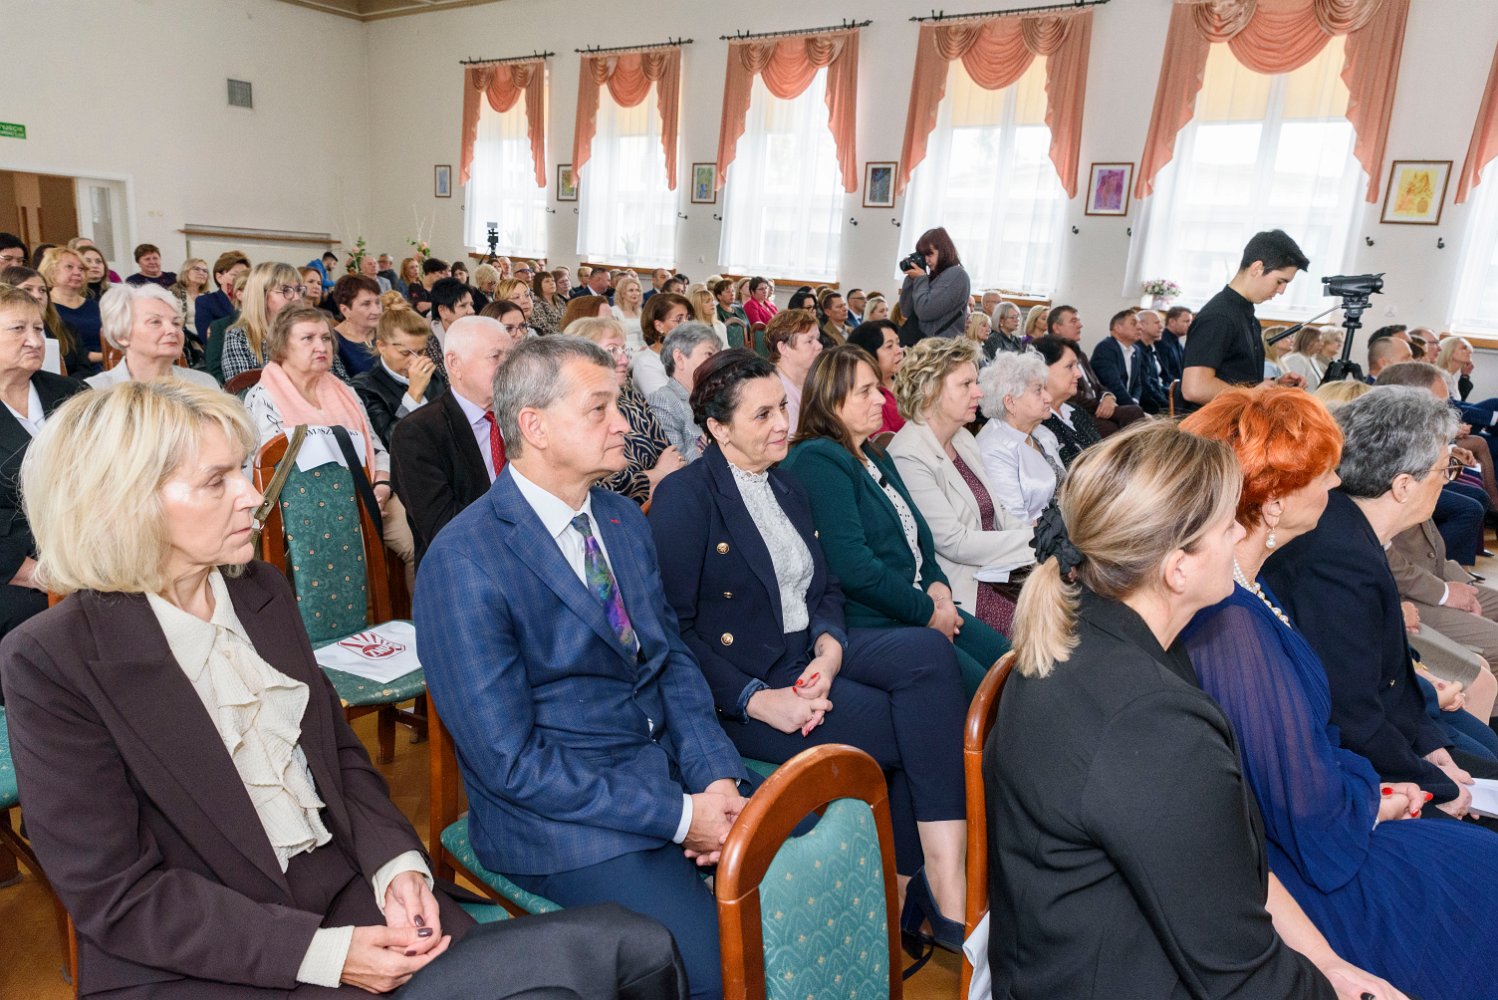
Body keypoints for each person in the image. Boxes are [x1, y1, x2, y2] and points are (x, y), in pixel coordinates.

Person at [0, 378, 690, 999]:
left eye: (242, 471)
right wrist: (324, 954)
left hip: (350, 893)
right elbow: (119, 897)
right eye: (217, 482)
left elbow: (339, 756)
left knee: (637, 949)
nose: (254, 496)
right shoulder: (50, 660)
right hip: (210, 957)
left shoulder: (259, 592)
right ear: (127, 507)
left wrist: (398, 867)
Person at [986, 421, 1398, 1000]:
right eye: (1227, 524)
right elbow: (1239, 975)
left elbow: (1221, 870)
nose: (1241, 531)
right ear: (1177, 567)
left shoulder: (1103, 634)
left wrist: (1330, 965)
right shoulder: (1151, 721)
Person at [414, 335, 753, 1000]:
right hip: (560, 820)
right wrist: (679, 815)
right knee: (711, 971)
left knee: (803, 854)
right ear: (535, 427)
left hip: (662, 770)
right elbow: (511, 762)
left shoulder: (621, 518)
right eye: (599, 409)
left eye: (618, 405)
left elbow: (670, 660)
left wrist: (713, 775)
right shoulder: (465, 562)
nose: (623, 424)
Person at [648, 348, 970, 950]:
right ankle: (920, 885)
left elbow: (824, 588)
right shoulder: (685, 498)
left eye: (782, 407)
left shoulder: (786, 483)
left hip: (803, 656)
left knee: (929, 656)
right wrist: (756, 699)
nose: (782, 424)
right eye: (763, 414)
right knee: (917, 727)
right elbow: (673, 635)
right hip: (740, 689)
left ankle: (925, 879)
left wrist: (829, 647)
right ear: (717, 429)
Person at [1182, 386, 1498, 1000]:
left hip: (1331, 815)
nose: (1337, 483)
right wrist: (1383, 799)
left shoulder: (1248, 590)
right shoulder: (1233, 623)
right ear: (1274, 503)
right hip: (1306, 862)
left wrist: (1386, 789)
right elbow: (1301, 810)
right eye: (1323, 473)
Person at [1262, 387, 1498, 812]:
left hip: (1388, 730)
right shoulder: (1338, 558)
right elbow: (1351, 714)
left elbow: (1390, 674)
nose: (1445, 482)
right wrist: (1436, 783)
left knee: (1487, 753)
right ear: (1404, 485)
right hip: (1350, 765)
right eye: (1444, 470)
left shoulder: (1351, 528)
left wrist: (1431, 745)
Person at [782, 345, 1010, 695]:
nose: (880, 399)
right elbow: (854, 567)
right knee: (990, 693)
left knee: (1011, 664)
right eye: (865, 392)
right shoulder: (819, 459)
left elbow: (919, 539)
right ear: (831, 400)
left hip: (916, 603)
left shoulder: (871, 453)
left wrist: (938, 588)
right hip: (875, 618)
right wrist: (928, 612)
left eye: (877, 388)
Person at [242, 306, 415, 568]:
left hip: (368, 495)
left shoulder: (344, 391)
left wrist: (381, 487)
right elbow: (272, 476)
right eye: (308, 338)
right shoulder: (264, 397)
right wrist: (345, 503)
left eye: (325, 338)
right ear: (282, 347)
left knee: (419, 536)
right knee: (346, 551)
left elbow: (377, 450)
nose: (321, 346)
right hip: (299, 510)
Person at [888, 338, 1033, 635]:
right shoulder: (908, 454)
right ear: (929, 389)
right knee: (1052, 627)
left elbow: (999, 511)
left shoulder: (963, 438)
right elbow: (955, 543)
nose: (978, 392)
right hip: (966, 588)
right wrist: (1035, 543)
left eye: (975, 382)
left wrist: (1041, 540)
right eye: (966, 384)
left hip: (1002, 573)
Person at [0, 286, 85, 652]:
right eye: (18, 329)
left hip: (86, 548)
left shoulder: (72, 393)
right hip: (15, 569)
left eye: (38, 328)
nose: (35, 340)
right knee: (31, 628)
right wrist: (34, 573)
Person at [390, 316, 512, 566]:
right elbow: (444, 529)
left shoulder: (524, 416)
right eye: (495, 357)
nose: (509, 367)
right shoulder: (417, 434)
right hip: (464, 566)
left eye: (511, 357)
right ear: (455, 364)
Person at [1180, 228, 1310, 412]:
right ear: (1257, 268)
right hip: (1210, 427)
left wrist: (1275, 386)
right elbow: (1195, 389)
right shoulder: (1219, 316)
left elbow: (1237, 378)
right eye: (1280, 281)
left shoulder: (1246, 314)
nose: (1281, 291)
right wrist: (1252, 395)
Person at [569, 317, 683, 505]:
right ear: (581, 357)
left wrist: (655, 481)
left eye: (624, 350)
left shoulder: (632, 398)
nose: (624, 360)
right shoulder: (575, 411)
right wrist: (658, 473)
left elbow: (672, 457)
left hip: (662, 501)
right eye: (612, 350)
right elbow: (598, 487)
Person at [975, 351, 1066, 524]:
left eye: (1045, 389)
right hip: (1038, 538)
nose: (1049, 398)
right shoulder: (993, 448)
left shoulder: (1041, 432)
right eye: (1038, 391)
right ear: (1010, 402)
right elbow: (1015, 522)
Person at [223, 263, 346, 384]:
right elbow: (244, 392)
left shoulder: (314, 331)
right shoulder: (239, 336)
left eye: (298, 290)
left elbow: (342, 383)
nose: (296, 298)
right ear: (262, 295)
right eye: (286, 290)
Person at [86, 284, 219, 390]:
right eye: (155, 322)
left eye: (176, 323)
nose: (172, 330)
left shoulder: (204, 384)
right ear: (122, 336)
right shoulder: (96, 391)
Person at [354, 305, 446, 447]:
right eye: (405, 353)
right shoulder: (366, 387)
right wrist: (413, 394)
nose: (415, 360)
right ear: (381, 346)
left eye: (421, 352)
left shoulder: (430, 374)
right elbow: (389, 442)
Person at [1046, 305, 1144, 436]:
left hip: (1095, 406)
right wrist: (1100, 405)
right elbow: (1068, 393)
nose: (1080, 325)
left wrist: (1108, 396)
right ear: (1057, 328)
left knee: (1134, 412)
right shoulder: (1051, 354)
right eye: (1073, 321)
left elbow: (1097, 384)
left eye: (1079, 321)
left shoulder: (1081, 354)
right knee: (1116, 425)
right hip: (1076, 409)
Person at [646, 323, 719, 463]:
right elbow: (676, 464)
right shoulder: (663, 400)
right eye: (709, 354)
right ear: (679, 358)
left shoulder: (715, 395)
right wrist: (713, 439)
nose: (717, 362)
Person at [1033, 335, 1102, 468]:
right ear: (1042, 370)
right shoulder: (1038, 421)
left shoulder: (1076, 411)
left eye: (1077, 366)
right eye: (1070, 366)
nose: (1078, 374)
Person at [2, 264, 84, 376]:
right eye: (28, 289)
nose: (38, 295)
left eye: (42, 290)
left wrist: (64, 385)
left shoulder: (67, 329)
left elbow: (84, 369)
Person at [1090, 307, 1169, 414]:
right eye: (1133, 323)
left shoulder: (1136, 350)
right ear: (1118, 328)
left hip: (1130, 405)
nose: (1140, 327)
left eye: (1139, 323)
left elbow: (1138, 384)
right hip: (1108, 406)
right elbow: (1114, 386)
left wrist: (1135, 402)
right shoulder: (1106, 348)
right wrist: (1135, 409)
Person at [898, 227, 970, 342]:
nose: (927, 260)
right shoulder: (930, 278)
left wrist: (920, 279)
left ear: (944, 251)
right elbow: (906, 311)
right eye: (923, 256)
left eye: (930, 254)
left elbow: (925, 312)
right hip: (925, 346)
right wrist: (911, 279)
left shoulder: (957, 274)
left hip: (942, 348)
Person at [41, 246, 104, 376]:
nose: (77, 272)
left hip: (105, 368)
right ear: (51, 271)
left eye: (81, 269)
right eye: (69, 267)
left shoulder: (95, 306)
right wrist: (104, 356)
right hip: (71, 374)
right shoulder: (46, 307)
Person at [765, 308, 823, 438]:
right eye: (809, 341)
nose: (819, 346)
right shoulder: (775, 391)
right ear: (783, 348)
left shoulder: (816, 379)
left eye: (817, 339)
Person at [846, 319, 906, 436]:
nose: (899, 350)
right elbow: (883, 442)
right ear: (869, 354)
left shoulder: (907, 381)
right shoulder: (868, 400)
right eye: (889, 346)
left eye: (898, 343)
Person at [632, 292, 689, 398]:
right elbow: (669, 404)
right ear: (659, 326)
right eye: (679, 319)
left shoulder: (688, 354)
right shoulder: (647, 364)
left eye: (688, 317)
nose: (687, 324)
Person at [195, 251, 249, 355]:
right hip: (221, 357)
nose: (240, 279)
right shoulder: (206, 301)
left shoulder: (254, 303)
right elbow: (208, 338)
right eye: (234, 275)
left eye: (244, 275)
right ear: (219, 277)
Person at [330, 274, 382, 378]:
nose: (376, 311)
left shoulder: (389, 332)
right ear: (345, 310)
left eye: (377, 302)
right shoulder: (333, 343)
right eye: (366, 304)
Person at [424, 276, 474, 379]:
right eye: (463, 306)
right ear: (443, 311)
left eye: (471, 305)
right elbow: (445, 382)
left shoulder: (474, 335)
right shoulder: (427, 346)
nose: (472, 311)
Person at [1279, 326, 1344, 391]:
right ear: (1308, 341)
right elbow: (1295, 388)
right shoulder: (1296, 359)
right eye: (1318, 341)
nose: (1322, 344)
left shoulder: (1311, 359)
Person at [712, 278, 750, 350]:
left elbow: (749, 329)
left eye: (733, 291)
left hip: (745, 349)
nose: (732, 294)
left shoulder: (739, 308)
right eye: (728, 292)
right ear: (719, 296)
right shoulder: (716, 312)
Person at [1158, 304, 1192, 383]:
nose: (1190, 325)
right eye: (1186, 321)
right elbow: (1164, 374)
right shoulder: (1161, 342)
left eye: (1190, 322)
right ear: (1172, 322)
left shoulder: (1178, 344)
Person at [611, 275, 646, 352]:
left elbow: (642, 337)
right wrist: (636, 349)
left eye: (637, 290)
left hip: (641, 347)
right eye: (631, 290)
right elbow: (613, 338)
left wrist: (645, 348)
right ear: (622, 294)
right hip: (623, 350)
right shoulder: (614, 311)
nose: (635, 293)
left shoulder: (639, 311)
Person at [531, 268, 565, 336]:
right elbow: (543, 327)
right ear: (539, 285)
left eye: (553, 280)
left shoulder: (560, 300)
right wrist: (563, 335)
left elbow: (567, 319)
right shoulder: (535, 303)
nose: (552, 283)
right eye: (547, 281)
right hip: (549, 338)